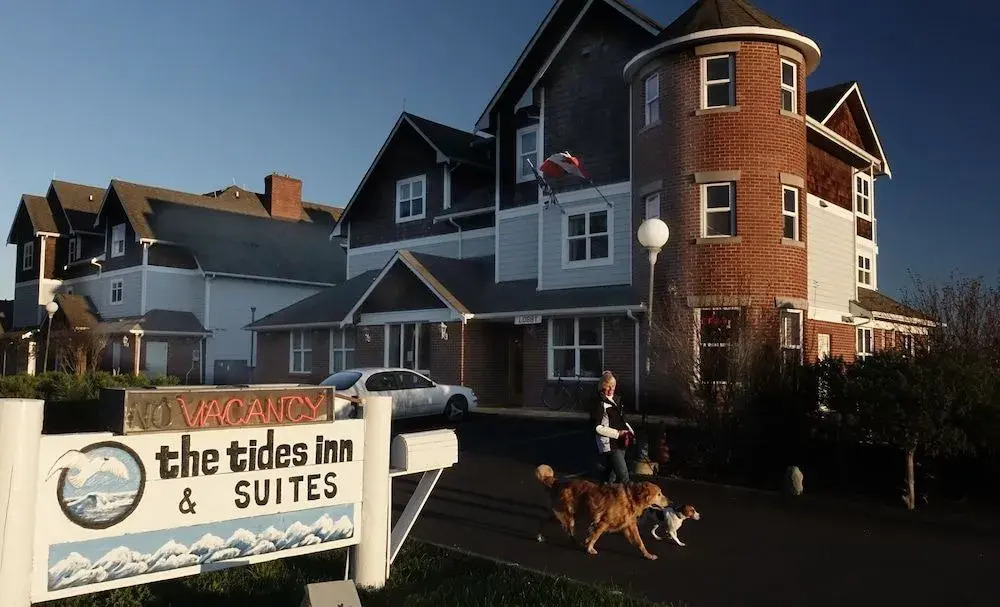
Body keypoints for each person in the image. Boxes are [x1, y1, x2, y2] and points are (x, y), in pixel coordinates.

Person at [590, 370, 634, 484]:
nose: (611, 389)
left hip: (621, 441)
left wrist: (630, 431)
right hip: (609, 444)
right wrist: (618, 433)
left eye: (613, 386)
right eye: (608, 386)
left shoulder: (617, 400)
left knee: (610, 476)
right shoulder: (599, 404)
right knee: (624, 476)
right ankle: (630, 495)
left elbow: (622, 420)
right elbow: (597, 427)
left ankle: (602, 492)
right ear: (602, 386)